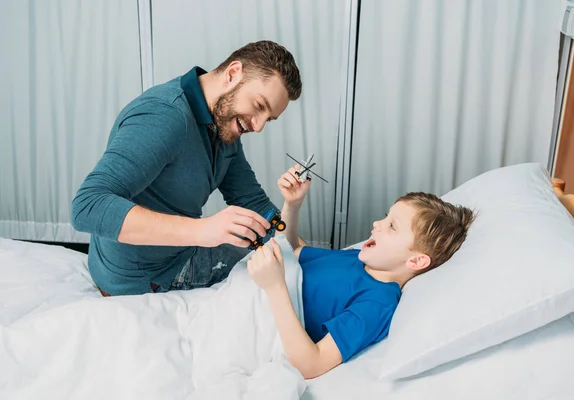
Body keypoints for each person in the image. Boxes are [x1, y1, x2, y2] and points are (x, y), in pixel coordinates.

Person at [71, 41, 302, 296]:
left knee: (285, 261)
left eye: (268, 119)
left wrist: (293, 226)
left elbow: (252, 201)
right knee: (274, 279)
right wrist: (203, 231)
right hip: (142, 276)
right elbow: (88, 207)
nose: (258, 126)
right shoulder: (165, 117)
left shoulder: (223, 124)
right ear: (233, 73)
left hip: (175, 252)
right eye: (259, 106)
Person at [248, 166, 475, 379]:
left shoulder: (377, 303)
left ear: (416, 260)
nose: (377, 223)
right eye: (386, 217)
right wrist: (292, 205)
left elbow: (312, 364)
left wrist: (275, 287)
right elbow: (293, 252)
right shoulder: (356, 258)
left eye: (392, 226)